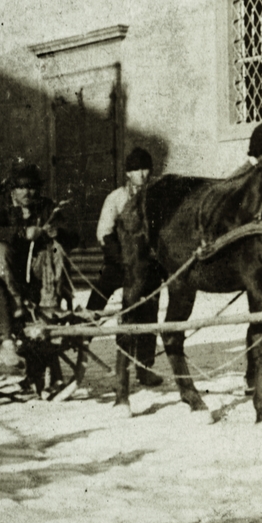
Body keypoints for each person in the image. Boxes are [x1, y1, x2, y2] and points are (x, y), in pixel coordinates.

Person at [0, 163, 72, 367]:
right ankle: (15, 301)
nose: (27, 192)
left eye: (32, 187)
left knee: (56, 248)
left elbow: (72, 236)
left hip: (37, 269)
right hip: (11, 270)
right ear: (13, 189)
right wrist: (20, 234)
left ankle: (50, 302)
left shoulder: (46, 206)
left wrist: (58, 232)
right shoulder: (0, 206)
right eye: (22, 187)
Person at [89, 147, 162, 387]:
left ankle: (144, 367)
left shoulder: (154, 195)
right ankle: (82, 339)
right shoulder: (117, 197)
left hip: (147, 264)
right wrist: (121, 259)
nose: (142, 174)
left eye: (145, 168)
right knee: (98, 299)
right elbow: (104, 232)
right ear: (128, 173)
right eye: (136, 170)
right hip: (119, 262)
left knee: (149, 312)